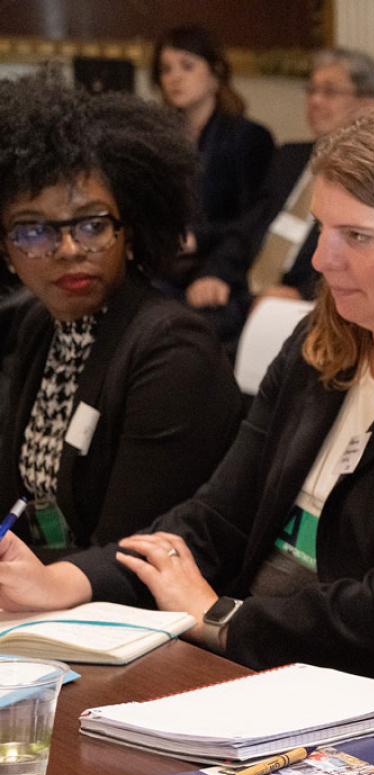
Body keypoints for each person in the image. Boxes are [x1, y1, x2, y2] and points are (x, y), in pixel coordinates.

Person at [0, 107, 374, 701]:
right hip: (251, 662)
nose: (322, 260)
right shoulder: (321, 344)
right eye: (321, 229)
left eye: (357, 236)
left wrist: (221, 617)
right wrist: (60, 581)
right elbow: (214, 519)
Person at [0, 76, 242, 562]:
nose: (69, 251)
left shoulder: (172, 351)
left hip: (133, 613)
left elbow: (129, 553)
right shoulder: (38, 326)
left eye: (92, 225)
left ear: (129, 233)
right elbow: (17, 505)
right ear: (5, 251)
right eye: (33, 231)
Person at [190, 47, 374, 308]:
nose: (315, 100)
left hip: (304, 306)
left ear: (367, 106)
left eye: (329, 92)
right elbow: (247, 229)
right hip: (242, 296)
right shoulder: (290, 156)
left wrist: (302, 296)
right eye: (311, 90)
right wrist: (214, 274)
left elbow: (366, 262)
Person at [154, 24, 276, 342]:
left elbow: (256, 221)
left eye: (187, 66)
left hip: (221, 270)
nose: (174, 78)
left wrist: (195, 239)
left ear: (216, 72)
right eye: (166, 69)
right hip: (164, 265)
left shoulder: (249, 137)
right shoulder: (160, 139)